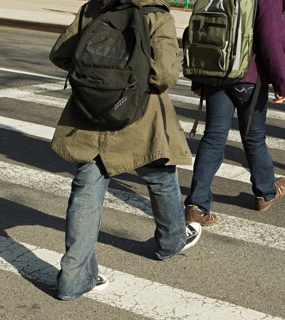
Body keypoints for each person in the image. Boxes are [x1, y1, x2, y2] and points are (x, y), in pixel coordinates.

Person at [49, 0, 201, 301]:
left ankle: (74, 278)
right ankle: (170, 241)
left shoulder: (94, 8)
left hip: (90, 116)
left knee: (87, 189)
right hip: (138, 116)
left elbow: (62, 54)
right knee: (160, 173)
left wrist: (99, 83)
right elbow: (164, 75)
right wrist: (128, 82)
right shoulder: (156, 14)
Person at [183, 0, 285, 226]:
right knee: (253, 137)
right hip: (249, 75)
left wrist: (199, 76)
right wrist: (281, 81)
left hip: (216, 71)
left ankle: (196, 205)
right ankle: (265, 192)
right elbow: (270, 36)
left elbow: (200, 28)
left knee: (213, 137)